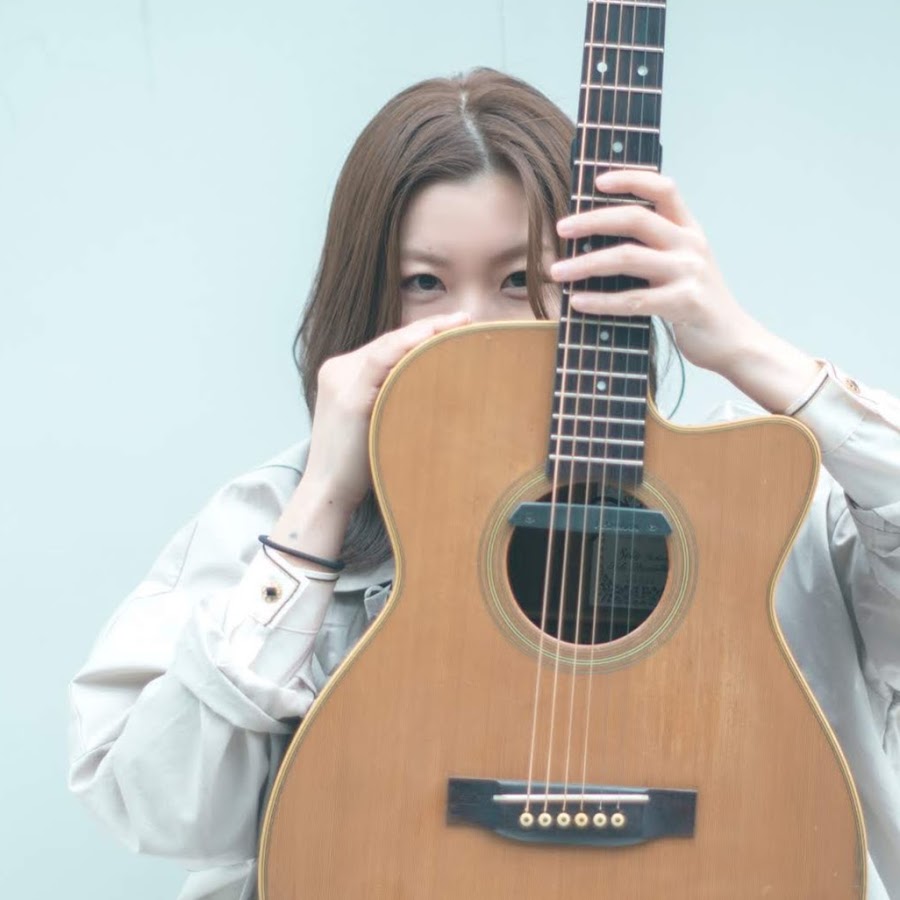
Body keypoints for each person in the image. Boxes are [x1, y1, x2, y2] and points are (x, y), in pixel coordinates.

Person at [68, 68, 900, 900]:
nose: (471, 326)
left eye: (520, 280)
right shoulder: (280, 511)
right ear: (368, 301)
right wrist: (322, 504)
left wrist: (751, 351)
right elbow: (156, 810)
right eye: (424, 284)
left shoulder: (760, 501)